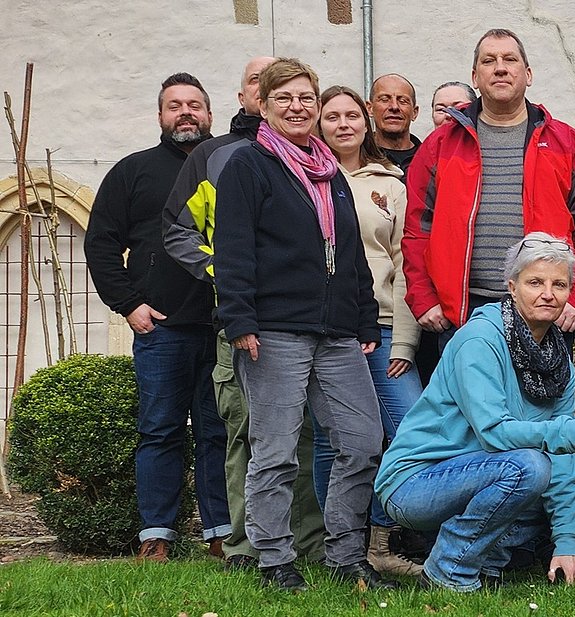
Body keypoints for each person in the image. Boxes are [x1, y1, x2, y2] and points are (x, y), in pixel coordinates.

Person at [213, 58, 391, 591]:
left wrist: (364, 317)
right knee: (276, 450)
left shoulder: (329, 171)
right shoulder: (250, 166)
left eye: (305, 98)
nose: (298, 107)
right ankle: (274, 560)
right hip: (273, 330)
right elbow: (234, 249)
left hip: (336, 332)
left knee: (363, 439)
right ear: (263, 106)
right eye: (284, 98)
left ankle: (344, 554)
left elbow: (352, 255)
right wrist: (240, 319)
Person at [376, 233, 575, 592]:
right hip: (416, 484)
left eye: (559, 284)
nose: (548, 293)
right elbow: (495, 433)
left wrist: (567, 541)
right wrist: (573, 432)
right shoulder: (481, 340)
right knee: (530, 467)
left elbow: (563, 450)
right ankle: (449, 567)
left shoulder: (556, 356)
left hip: (484, 472)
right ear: (512, 287)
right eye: (535, 282)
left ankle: (487, 557)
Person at [162, 55, 328, 571]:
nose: (273, 89)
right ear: (247, 95)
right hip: (242, 324)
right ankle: (245, 547)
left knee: (300, 436)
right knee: (247, 434)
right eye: (259, 80)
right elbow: (178, 230)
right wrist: (231, 276)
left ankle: (307, 545)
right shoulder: (216, 157)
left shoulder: (314, 158)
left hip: (304, 325)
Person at [84, 72, 228, 562]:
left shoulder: (230, 164)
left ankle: (221, 533)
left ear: (210, 113)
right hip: (161, 326)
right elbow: (101, 242)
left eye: (194, 105)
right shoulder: (133, 171)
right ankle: (157, 535)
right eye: (174, 106)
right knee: (161, 429)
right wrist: (127, 304)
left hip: (222, 324)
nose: (185, 113)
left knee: (218, 430)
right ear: (161, 115)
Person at [403, 28, 575, 346]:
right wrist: (423, 297)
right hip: (463, 315)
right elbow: (418, 229)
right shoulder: (439, 145)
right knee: (469, 398)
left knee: (541, 397)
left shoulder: (565, 141)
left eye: (510, 59)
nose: (500, 67)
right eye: (489, 60)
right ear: (475, 76)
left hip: (544, 310)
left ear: (527, 74)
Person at [316, 84, 425, 577]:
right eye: (331, 115)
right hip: (326, 328)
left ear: (367, 122)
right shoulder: (302, 177)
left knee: (410, 428)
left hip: (383, 325)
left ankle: (379, 541)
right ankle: (337, 544)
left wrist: (404, 338)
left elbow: (405, 264)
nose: (343, 124)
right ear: (319, 123)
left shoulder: (392, 183)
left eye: (351, 115)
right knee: (333, 440)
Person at [368, 73, 421, 175]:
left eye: (403, 101)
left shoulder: (429, 159)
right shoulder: (358, 158)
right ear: (370, 108)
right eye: (384, 99)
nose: (394, 107)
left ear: (414, 112)